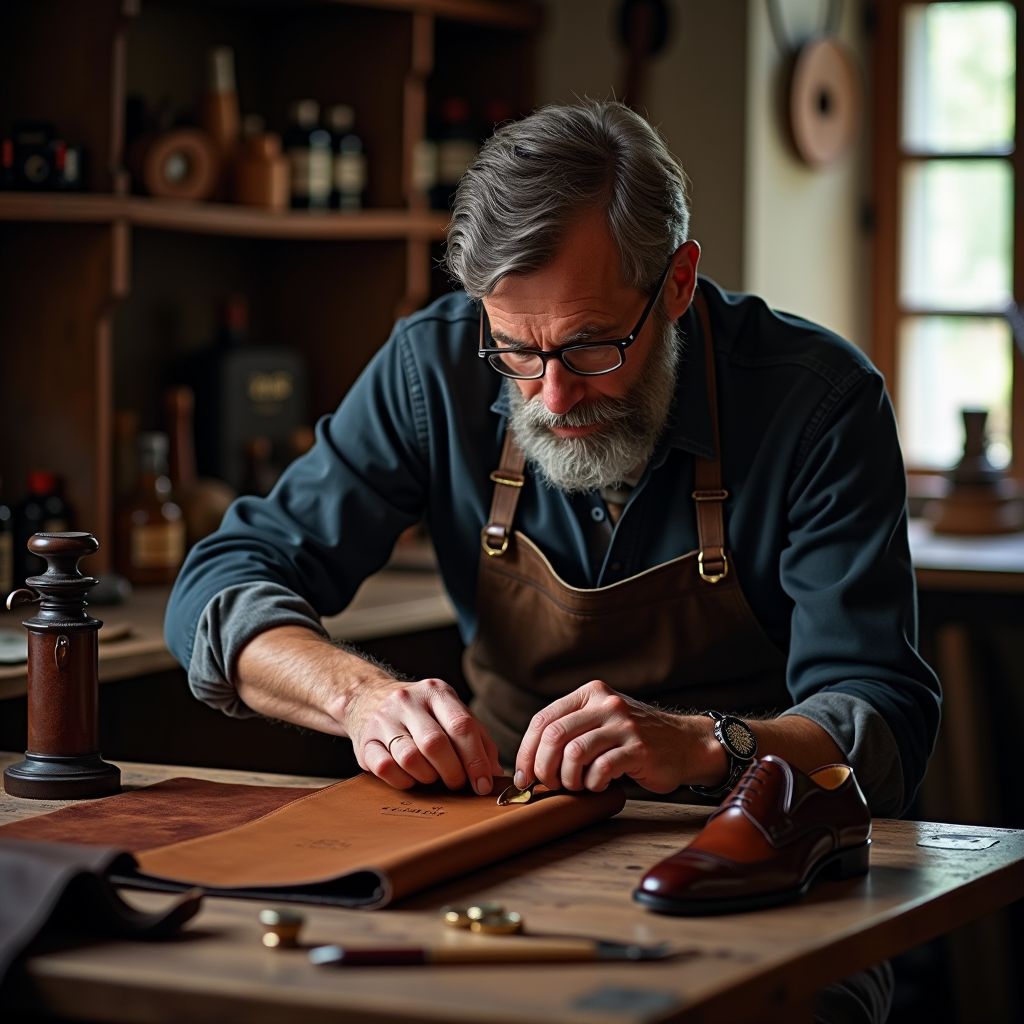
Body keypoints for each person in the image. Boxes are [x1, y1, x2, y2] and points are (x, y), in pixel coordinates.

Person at [166, 102, 938, 1020]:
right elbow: (221, 585)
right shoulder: (433, 366)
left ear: (680, 282)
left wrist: (706, 743)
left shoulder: (818, 405)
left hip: (757, 860)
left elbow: (880, 725)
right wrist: (359, 698)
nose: (555, 394)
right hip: (494, 842)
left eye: (591, 344)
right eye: (517, 351)